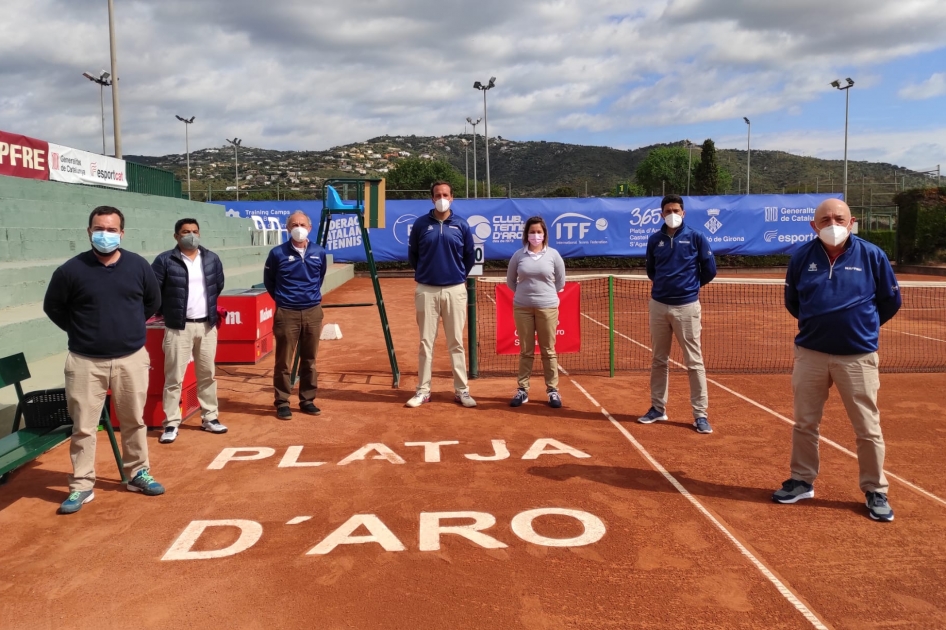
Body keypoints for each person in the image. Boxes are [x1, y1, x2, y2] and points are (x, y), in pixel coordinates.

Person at [773, 198, 901, 522]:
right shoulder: (801, 257)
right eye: (826, 219)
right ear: (813, 226)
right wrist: (820, 327)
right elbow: (793, 302)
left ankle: (875, 489)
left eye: (839, 218)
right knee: (805, 423)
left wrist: (859, 329)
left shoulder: (873, 255)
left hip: (857, 358)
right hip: (811, 355)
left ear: (852, 221)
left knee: (867, 428)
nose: (833, 223)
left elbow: (889, 301)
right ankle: (802, 481)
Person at [43, 206, 165, 514]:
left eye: (112, 230)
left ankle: (137, 473)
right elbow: (53, 307)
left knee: (133, 421)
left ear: (122, 233)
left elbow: (153, 302)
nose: (105, 235)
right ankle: (82, 485)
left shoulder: (138, 266)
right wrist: (82, 331)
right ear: (88, 231)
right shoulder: (70, 270)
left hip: (131, 358)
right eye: (99, 228)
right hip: (85, 362)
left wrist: (129, 327)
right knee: (84, 426)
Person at [638, 194, 717, 434]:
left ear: (683, 213)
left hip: (687, 307)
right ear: (661, 214)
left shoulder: (696, 237)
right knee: (658, 360)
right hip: (659, 306)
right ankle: (657, 408)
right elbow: (652, 270)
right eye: (668, 210)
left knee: (694, 362)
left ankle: (700, 414)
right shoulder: (654, 240)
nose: (672, 213)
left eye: (676, 210)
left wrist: (688, 289)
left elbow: (709, 270)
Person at [151, 218, 227, 444]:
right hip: (178, 327)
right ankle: (171, 423)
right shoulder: (165, 260)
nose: (190, 235)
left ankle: (210, 418)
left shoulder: (211, 258)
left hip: (206, 326)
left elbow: (218, 285)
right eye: (185, 232)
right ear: (176, 236)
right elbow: (153, 291)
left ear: (200, 234)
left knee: (207, 374)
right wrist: (169, 312)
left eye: (194, 231)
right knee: (174, 377)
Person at [406, 180, 476, 408]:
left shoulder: (462, 225)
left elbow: (469, 257)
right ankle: (423, 391)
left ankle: (462, 391)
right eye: (437, 195)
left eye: (445, 194)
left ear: (452, 197)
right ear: (432, 199)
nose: (442, 198)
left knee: (456, 342)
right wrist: (427, 274)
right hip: (426, 289)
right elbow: (413, 255)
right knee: (426, 342)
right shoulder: (420, 225)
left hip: (455, 289)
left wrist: (456, 276)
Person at [263, 211, 327, 420]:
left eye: (302, 224)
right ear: (287, 228)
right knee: (283, 361)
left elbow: (319, 278)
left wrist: (309, 298)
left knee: (310, 359)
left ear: (309, 228)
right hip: (286, 312)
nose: (298, 227)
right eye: (294, 224)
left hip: (312, 312)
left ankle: (307, 400)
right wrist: (285, 300)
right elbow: (270, 282)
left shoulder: (319, 252)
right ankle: (282, 402)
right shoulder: (277, 253)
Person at [505, 216, 566, 408]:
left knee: (548, 350)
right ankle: (522, 390)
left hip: (547, 307)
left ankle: (553, 391)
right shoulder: (518, 255)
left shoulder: (554, 255)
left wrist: (544, 296)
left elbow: (560, 281)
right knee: (526, 350)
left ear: (545, 234)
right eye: (532, 232)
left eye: (539, 232)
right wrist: (526, 295)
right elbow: (510, 281)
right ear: (526, 234)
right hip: (522, 307)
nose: (535, 235)